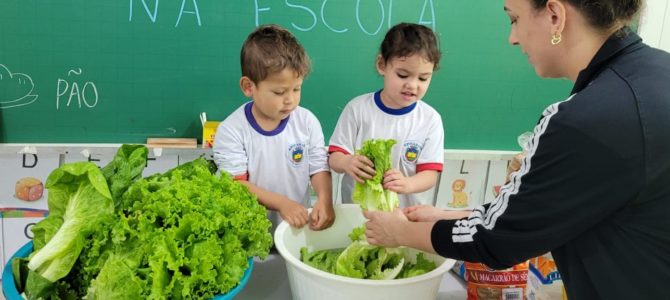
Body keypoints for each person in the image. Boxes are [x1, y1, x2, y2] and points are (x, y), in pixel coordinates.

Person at [363, 0, 670, 299]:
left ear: (554, 15)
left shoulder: (587, 120)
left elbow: (497, 241)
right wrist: (443, 214)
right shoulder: (657, 71)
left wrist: (399, 233)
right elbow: (541, 213)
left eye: (514, 19)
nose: (512, 38)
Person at [213, 24, 334, 231]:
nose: (290, 100)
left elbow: (318, 168)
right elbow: (236, 184)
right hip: (250, 231)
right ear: (248, 87)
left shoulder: (306, 121)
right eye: (279, 92)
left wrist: (325, 199)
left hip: (295, 229)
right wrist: (282, 204)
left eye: (297, 89)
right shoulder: (231, 130)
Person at [328, 23, 444, 208]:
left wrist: (408, 184)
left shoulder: (430, 119)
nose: (413, 85)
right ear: (382, 65)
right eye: (403, 75)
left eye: (423, 78)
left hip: (406, 218)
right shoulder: (357, 109)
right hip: (358, 214)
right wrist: (347, 162)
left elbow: (430, 175)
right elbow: (334, 157)